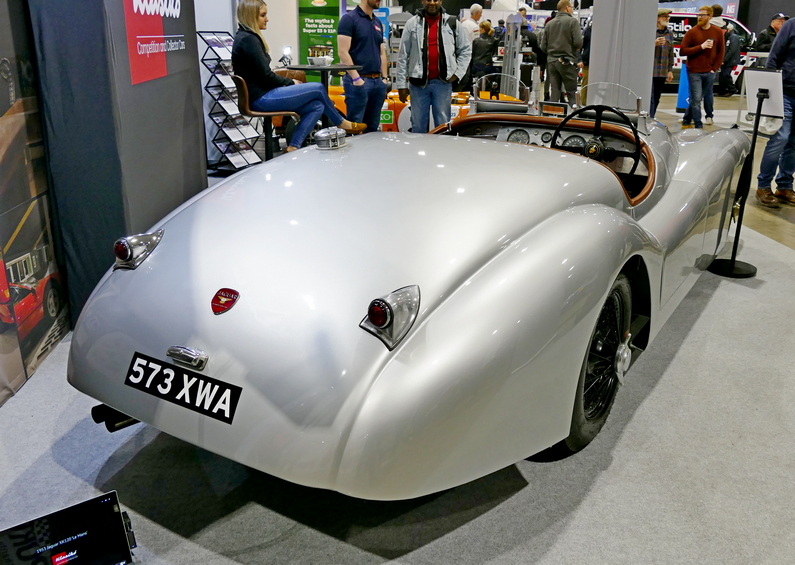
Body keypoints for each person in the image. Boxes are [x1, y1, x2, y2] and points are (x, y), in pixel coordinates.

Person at [232, 0, 365, 152]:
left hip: (260, 96)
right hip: (261, 99)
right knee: (318, 88)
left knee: (317, 106)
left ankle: (293, 147)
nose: (267, 19)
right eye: (263, 15)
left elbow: (263, 75)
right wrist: (290, 82)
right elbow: (266, 77)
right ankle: (341, 123)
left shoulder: (245, 37)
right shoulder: (249, 40)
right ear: (251, 16)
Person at [396, 0, 472, 133]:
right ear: (422, 1)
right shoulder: (412, 24)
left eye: (435, 0)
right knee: (418, 126)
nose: (432, 3)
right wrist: (401, 85)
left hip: (443, 83)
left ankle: (441, 154)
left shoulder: (452, 23)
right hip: (418, 85)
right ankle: (418, 153)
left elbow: (465, 50)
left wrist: (457, 73)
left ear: (440, 1)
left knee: (443, 126)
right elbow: (403, 55)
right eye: (428, 0)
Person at [755, 16, 795, 208]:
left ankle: (785, 186)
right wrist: (771, 90)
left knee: (794, 142)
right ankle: (763, 186)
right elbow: (774, 57)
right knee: (781, 137)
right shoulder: (791, 25)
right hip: (785, 91)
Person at [337, 0, 390, 133]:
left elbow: (382, 53)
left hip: (377, 82)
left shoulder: (378, 22)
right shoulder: (349, 19)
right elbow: (342, 52)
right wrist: (356, 79)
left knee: (372, 128)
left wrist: (384, 78)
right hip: (358, 82)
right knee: (354, 126)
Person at [679, 5, 724, 129]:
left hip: (709, 71)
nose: (700, 17)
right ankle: (698, 125)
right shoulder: (692, 32)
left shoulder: (717, 32)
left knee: (696, 99)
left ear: (710, 16)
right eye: (698, 15)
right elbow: (682, 51)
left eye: (703, 15)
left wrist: (714, 68)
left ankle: (686, 120)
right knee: (697, 99)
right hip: (694, 71)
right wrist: (701, 47)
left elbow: (721, 52)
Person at [539, 0, 582, 106]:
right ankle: (574, 118)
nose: (572, 9)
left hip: (552, 61)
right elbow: (578, 43)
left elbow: (543, 46)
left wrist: (551, 53)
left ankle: (552, 118)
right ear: (567, 8)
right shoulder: (573, 22)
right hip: (567, 60)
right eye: (571, 7)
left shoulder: (549, 24)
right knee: (572, 93)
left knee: (555, 92)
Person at [650, 8, 675, 118]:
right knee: (649, 97)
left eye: (668, 17)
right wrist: (653, 44)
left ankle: (652, 117)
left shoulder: (669, 33)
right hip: (650, 71)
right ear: (657, 18)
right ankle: (648, 117)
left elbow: (671, 53)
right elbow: (640, 50)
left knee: (656, 97)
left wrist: (670, 70)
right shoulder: (650, 32)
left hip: (662, 71)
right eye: (664, 16)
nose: (667, 19)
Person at [716, 23, 741, 97]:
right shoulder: (728, 37)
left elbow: (731, 50)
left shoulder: (733, 37)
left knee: (726, 75)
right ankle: (722, 91)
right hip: (727, 59)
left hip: (731, 60)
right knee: (722, 76)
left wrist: (724, 60)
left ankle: (732, 89)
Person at [578, 21, 592, 106]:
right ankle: (583, 106)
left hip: (602, 64)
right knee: (586, 85)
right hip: (587, 63)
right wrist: (580, 60)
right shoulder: (589, 30)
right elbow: (580, 47)